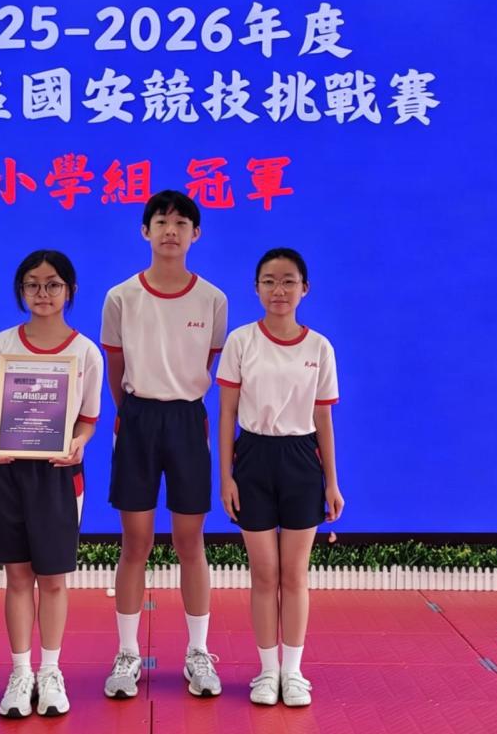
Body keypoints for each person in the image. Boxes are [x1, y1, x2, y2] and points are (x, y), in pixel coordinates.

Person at [99, 190, 228, 700]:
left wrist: (175, 401)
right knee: (135, 542)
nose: (170, 230)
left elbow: (207, 363)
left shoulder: (213, 299)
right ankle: (127, 654)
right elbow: (115, 366)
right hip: (137, 418)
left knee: (190, 542)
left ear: (196, 234)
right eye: (161, 222)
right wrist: (134, 413)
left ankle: (198, 653)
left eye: (181, 223)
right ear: (145, 231)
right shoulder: (121, 296)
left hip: (187, 421)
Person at [0, 249, 103, 719]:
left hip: (58, 475)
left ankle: (50, 671)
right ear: (20, 291)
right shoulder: (1, 345)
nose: (42, 293)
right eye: (32, 284)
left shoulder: (85, 352)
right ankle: (20, 672)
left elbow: (88, 420)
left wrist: (80, 443)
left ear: (70, 290)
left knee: (52, 578)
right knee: (17, 577)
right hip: (8, 472)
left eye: (52, 284)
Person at [216, 247, 344, 708]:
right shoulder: (241, 341)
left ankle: (293, 672)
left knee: (294, 574)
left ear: (304, 289)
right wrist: (226, 476)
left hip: (301, 460)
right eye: (269, 281)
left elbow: (323, 418)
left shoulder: (319, 348)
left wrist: (331, 481)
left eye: (289, 281)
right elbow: (227, 413)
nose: (279, 290)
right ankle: (267, 672)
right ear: (256, 288)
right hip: (253, 458)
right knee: (264, 573)